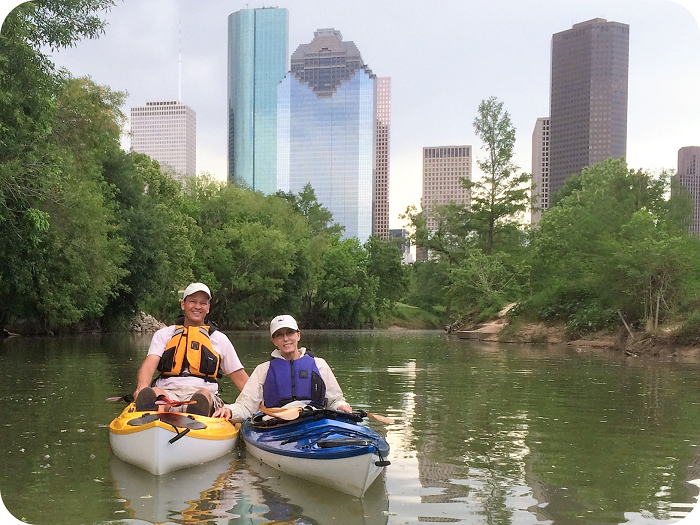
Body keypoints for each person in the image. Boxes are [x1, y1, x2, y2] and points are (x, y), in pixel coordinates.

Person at [133, 282, 249, 416]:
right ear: (183, 304)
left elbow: (241, 379)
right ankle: (155, 416)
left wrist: (257, 402)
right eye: (193, 301)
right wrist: (142, 387)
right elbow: (149, 365)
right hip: (168, 393)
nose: (197, 307)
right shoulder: (164, 335)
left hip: (203, 394)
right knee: (156, 394)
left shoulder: (219, 339)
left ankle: (195, 414)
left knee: (203, 395)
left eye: (203, 303)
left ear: (208, 308)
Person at [212, 314, 352, 422]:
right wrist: (230, 411)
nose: (285, 338)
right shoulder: (263, 370)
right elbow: (245, 406)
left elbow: (335, 399)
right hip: (278, 422)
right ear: (273, 340)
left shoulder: (319, 365)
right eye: (279, 335)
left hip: (313, 418)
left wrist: (341, 406)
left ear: (298, 335)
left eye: (290, 333)